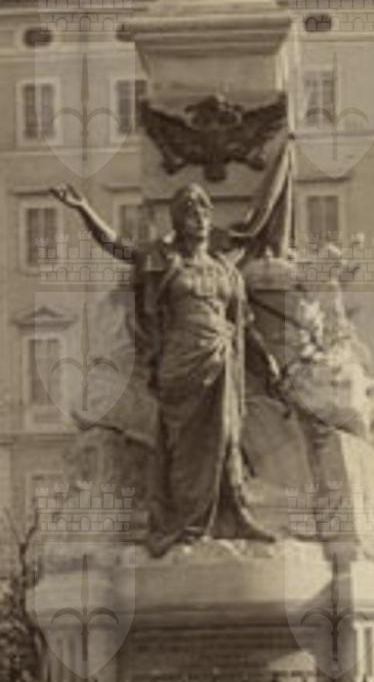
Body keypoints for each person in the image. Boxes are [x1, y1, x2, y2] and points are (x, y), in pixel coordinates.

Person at [52, 180, 281, 553]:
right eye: (189, 210)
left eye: (203, 209)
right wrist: (84, 210)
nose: (199, 217)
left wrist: (265, 358)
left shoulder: (225, 269)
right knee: (183, 445)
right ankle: (184, 520)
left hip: (220, 359)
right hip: (180, 364)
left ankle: (233, 513)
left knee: (226, 438)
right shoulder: (164, 260)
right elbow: (118, 246)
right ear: (177, 220)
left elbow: (243, 323)